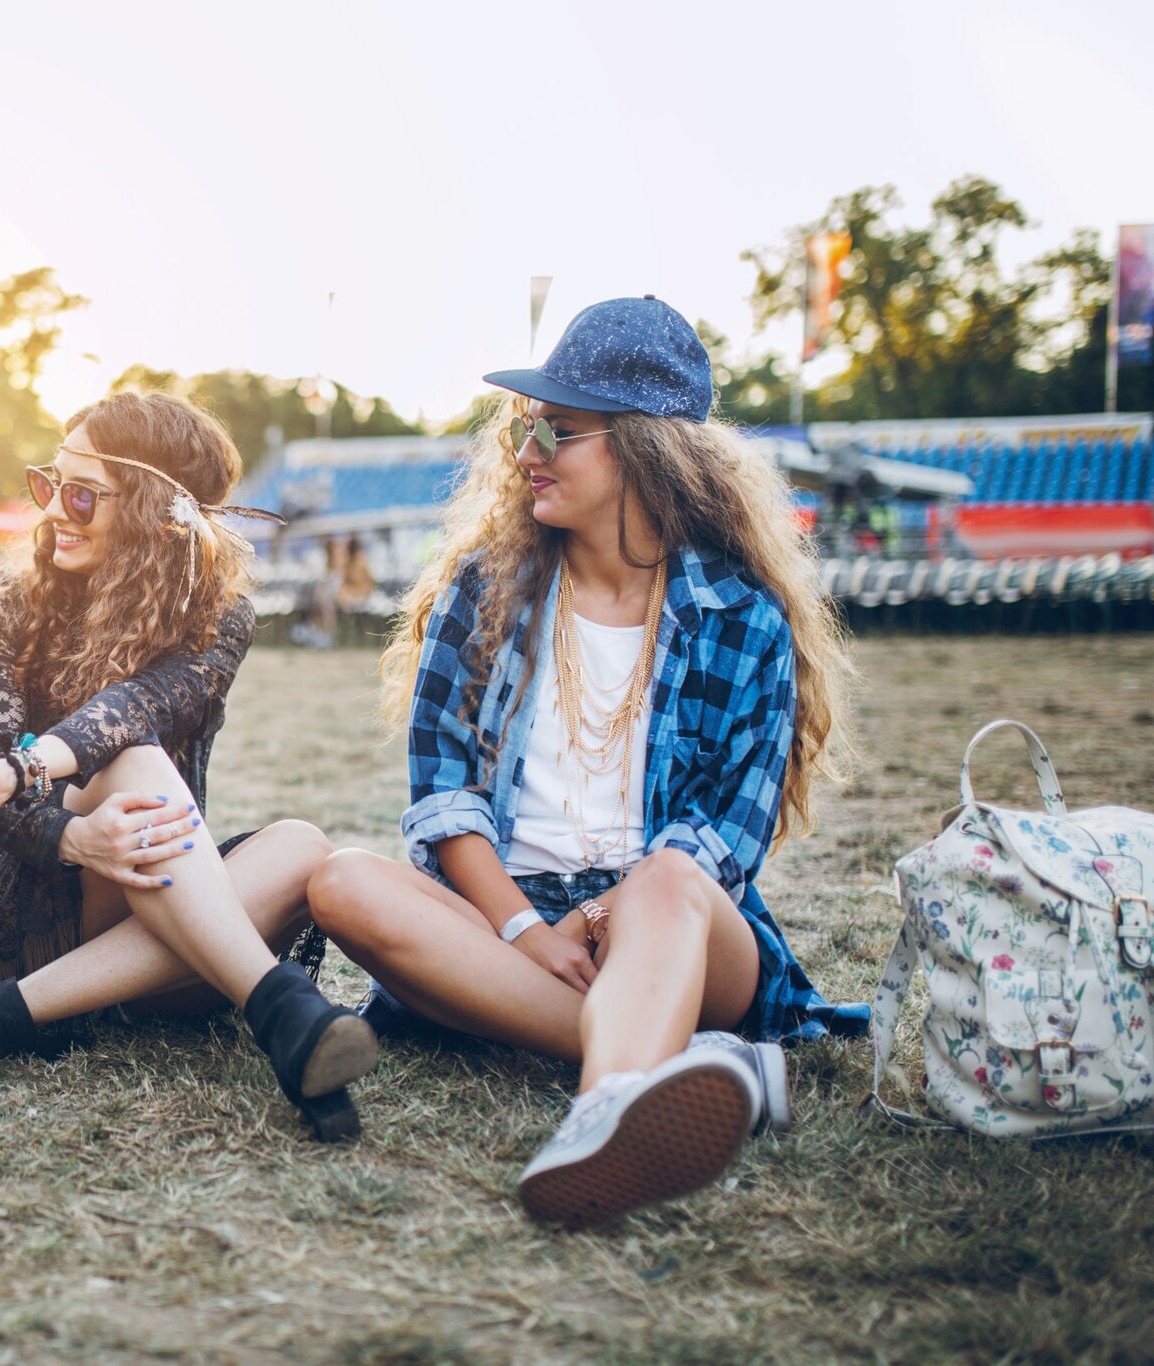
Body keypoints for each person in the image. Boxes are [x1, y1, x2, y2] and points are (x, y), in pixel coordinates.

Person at [306, 297, 866, 1226]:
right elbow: (445, 796)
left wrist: (605, 915)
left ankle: (601, 1109)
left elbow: (726, 839)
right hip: (507, 923)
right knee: (343, 884)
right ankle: (689, 1056)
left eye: (557, 430)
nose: (527, 449)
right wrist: (527, 928)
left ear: (644, 446)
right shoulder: (481, 595)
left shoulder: (743, 618)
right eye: (527, 426)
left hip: (669, 923)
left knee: (673, 878)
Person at [0, 391, 375, 1141]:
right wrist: (73, 833)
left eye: (82, 494)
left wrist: (32, 773)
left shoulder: (219, 620)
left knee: (304, 847)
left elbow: (142, 704)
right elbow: (14, 790)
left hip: (150, 893)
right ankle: (280, 1010)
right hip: (34, 915)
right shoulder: (11, 604)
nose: (54, 510)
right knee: (135, 767)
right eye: (48, 484)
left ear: (152, 510)